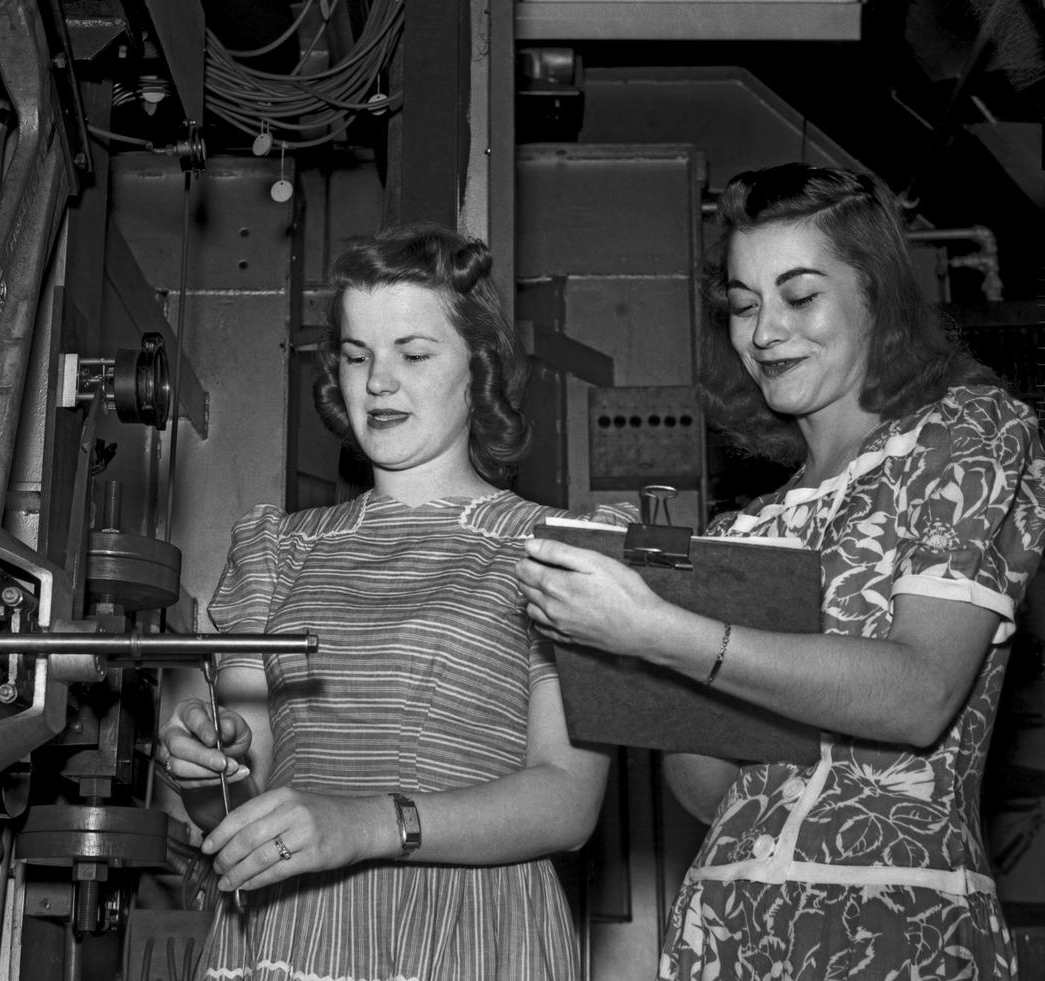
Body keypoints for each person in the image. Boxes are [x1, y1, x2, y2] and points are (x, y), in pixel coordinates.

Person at [515, 163, 1045, 980]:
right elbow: (712, 789)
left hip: (895, 924)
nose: (764, 333)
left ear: (875, 294)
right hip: (727, 927)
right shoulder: (747, 528)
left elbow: (918, 694)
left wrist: (669, 630)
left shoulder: (968, 436)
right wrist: (637, 631)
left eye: (799, 297)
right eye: (743, 303)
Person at [158, 223, 636, 980]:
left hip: (469, 928)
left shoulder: (561, 550)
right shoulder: (279, 551)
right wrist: (208, 772)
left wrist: (365, 823)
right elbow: (237, 801)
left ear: (480, 367)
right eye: (357, 356)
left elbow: (568, 803)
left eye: (413, 354)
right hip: (290, 931)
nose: (378, 382)